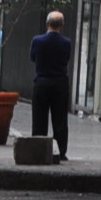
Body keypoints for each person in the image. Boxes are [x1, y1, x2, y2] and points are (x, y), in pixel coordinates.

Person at [30, 10, 73, 160]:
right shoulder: (66, 43)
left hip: (41, 82)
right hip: (60, 83)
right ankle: (60, 152)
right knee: (60, 119)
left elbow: (33, 57)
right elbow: (66, 59)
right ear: (61, 25)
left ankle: (38, 148)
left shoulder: (37, 40)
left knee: (39, 118)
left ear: (48, 24)